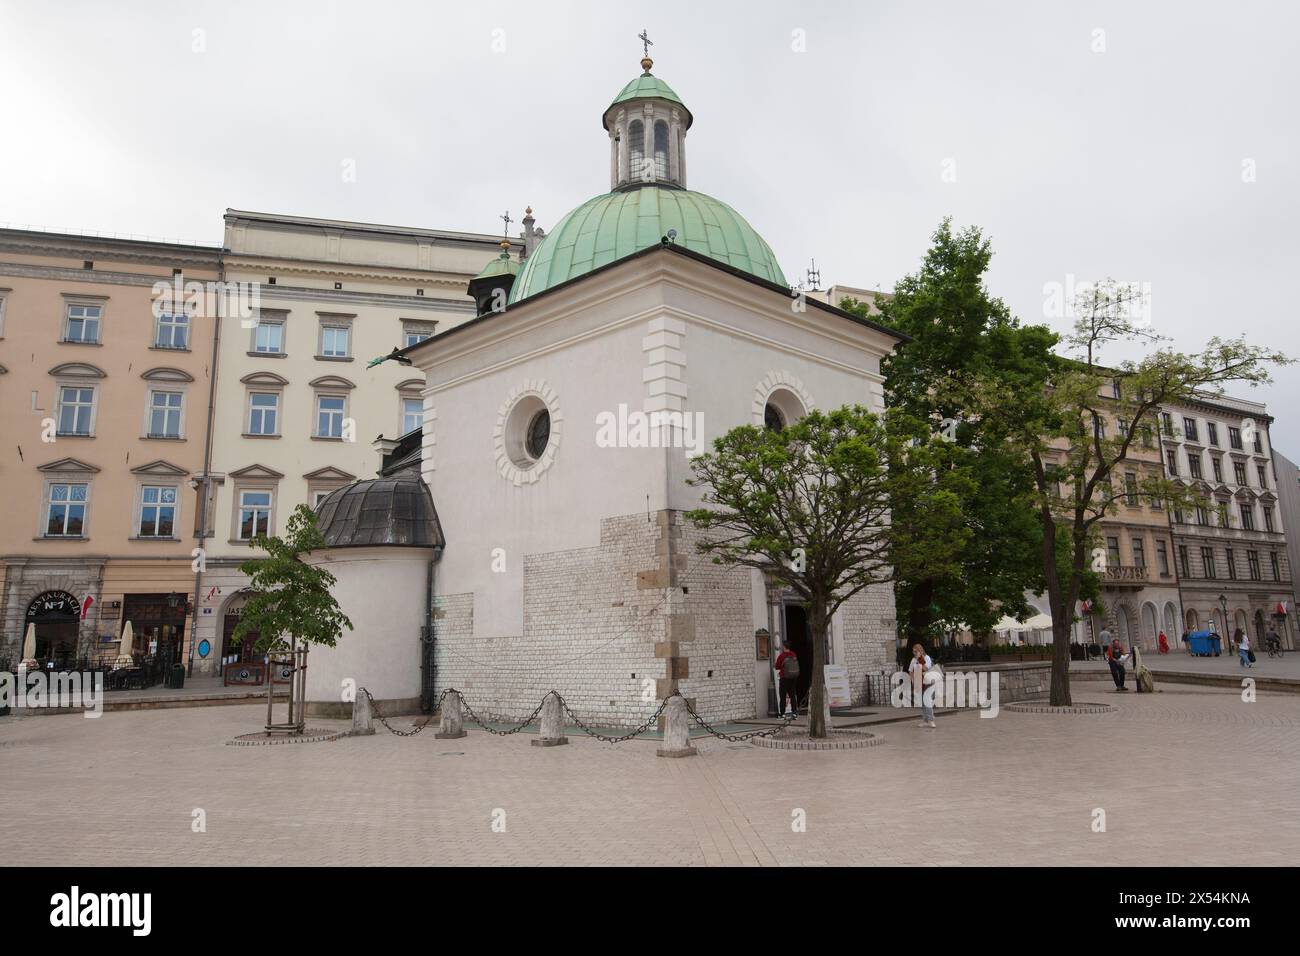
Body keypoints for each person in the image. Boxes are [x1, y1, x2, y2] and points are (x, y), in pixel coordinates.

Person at [908, 643, 936, 728]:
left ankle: (931, 720)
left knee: (927, 701)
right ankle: (925, 720)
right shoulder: (913, 660)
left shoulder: (926, 658)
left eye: (916, 651)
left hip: (927, 682)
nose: (914, 653)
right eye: (913, 651)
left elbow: (926, 669)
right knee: (923, 703)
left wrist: (920, 659)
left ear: (920, 650)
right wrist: (913, 682)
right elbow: (910, 671)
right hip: (919, 682)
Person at [774, 643, 801, 716]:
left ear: (784, 647)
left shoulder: (782, 656)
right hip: (793, 677)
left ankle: (782, 713)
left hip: (784, 678)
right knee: (792, 695)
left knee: (782, 696)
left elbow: (777, 666)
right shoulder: (793, 654)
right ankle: (794, 712)